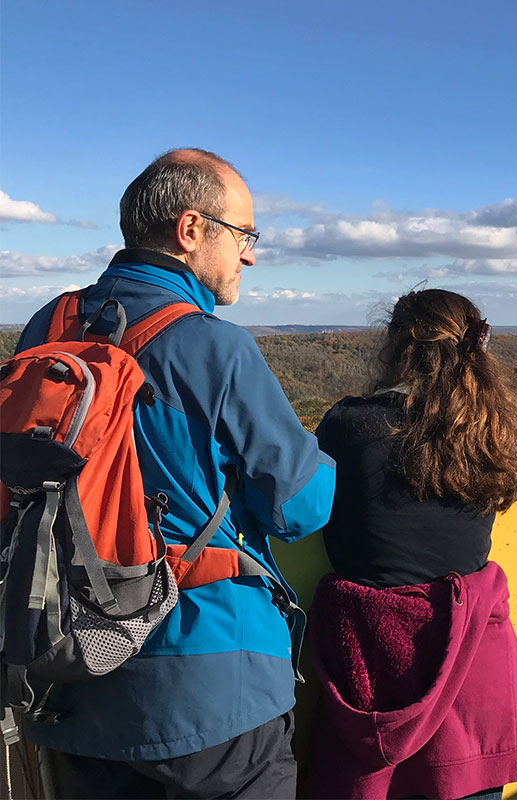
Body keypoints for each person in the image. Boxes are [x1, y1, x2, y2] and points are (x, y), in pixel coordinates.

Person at [14, 149, 336, 798]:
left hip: (67, 677)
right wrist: (317, 449)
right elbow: (301, 508)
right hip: (209, 688)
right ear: (191, 229)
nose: (250, 255)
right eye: (245, 235)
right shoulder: (215, 347)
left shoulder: (45, 327)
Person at [300, 289, 517, 800]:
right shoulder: (494, 433)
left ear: (396, 345)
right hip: (476, 680)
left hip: (375, 672)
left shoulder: (350, 424)